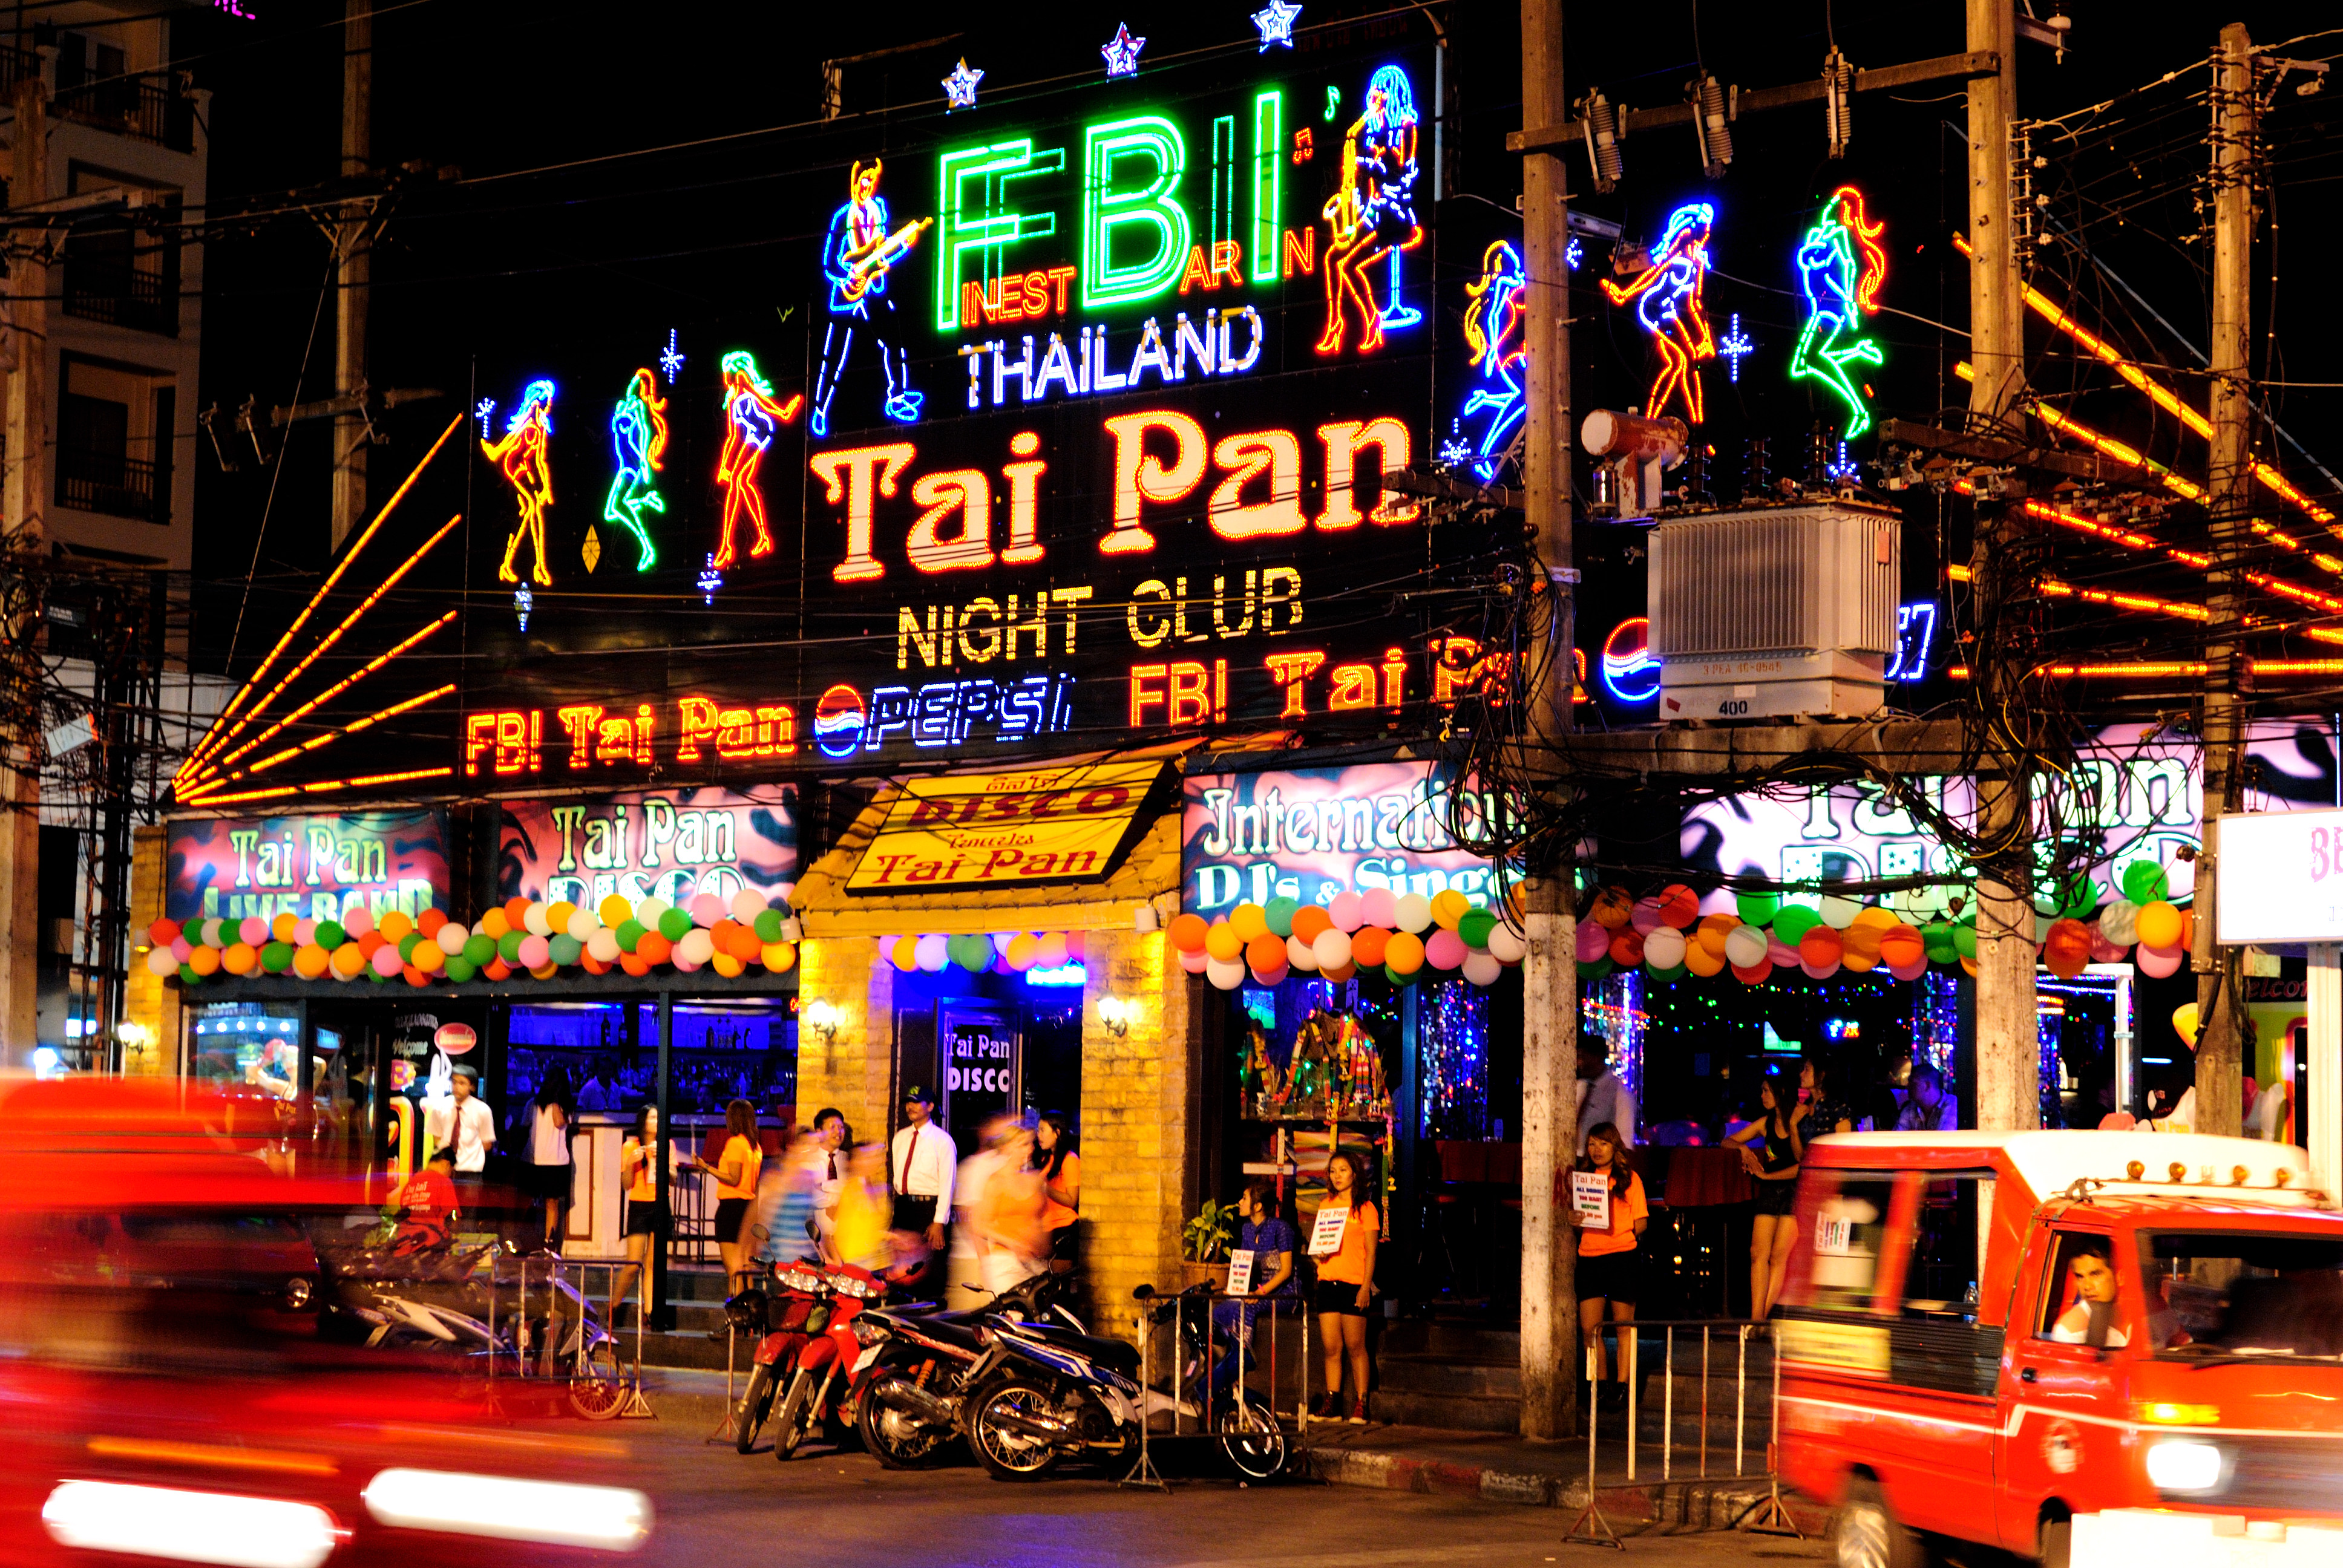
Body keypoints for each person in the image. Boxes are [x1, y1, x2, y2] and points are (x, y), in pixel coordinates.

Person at [1566, 1122, 1649, 1410]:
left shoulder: (1629, 1179)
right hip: (1589, 1257)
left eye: (1603, 1143)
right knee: (1590, 1328)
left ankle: (1623, 1385)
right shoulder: (1584, 1179)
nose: (1596, 1149)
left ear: (1615, 1147)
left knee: (1624, 1326)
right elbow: (1578, 1218)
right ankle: (1598, 1383)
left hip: (1622, 1257)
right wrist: (1576, 1220)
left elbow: (1641, 1224)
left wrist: (1619, 1233)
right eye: (1591, 1144)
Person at [1311, 1149, 1380, 1425]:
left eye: (1342, 1170)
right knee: (1331, 1347)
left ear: (1354, 1173)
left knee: (1355, 1345)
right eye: (1332, 1171)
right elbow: (1318, 1247)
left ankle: (1362, 1403)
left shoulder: (1366, 1208)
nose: (1337, 1176)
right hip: (1328, 1281)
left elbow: (1372, 1252)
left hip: (1353, 1283)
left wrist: (1365, 1288)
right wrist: (1319, 1257)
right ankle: (1333, 1402)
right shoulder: (1326, 1205)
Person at [1728, 1067, 1803, 1319]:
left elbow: (1803, 1164)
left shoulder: (1800, 1120)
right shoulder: (1764, 1123)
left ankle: (1764, 1317)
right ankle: (1756, 1317)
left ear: (1781, 1092)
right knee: (1757, 1253)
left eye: (1766, 1090)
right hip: (1771, 1191)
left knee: (1778, 1256)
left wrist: (1767, 1175)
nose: (1762, 1096)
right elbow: (1727, 1141)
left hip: (1795, 1191)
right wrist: (1743, 1150)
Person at [1213, 1180, 1297, 1395]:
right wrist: (1235, 1289)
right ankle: (1221, 1365)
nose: (1240, 1202)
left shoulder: (1281, 1228)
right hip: (1261, 1289)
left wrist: (1260, 1293)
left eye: (1244, 1198)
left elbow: (1286, 1271)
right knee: (1223, 1308)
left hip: (1284, 1292)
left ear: (1258, 1206)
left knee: (1247, 1308)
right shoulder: (1247, 1228)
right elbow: (1244, 1263)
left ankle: (1240, 1363)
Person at [696, 1098, 764, 1303]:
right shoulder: (755, 1147)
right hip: (748, 1207)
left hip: (731, 1208)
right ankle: (750, 1315)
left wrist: (706, 1167)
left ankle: (736, 1314)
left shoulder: (735, 1143)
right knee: (745, 1267)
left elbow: (734, 1179)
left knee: (734, 1268)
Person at [976, 1119, 1050, 1293]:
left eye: (1030, 1144)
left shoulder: (1035, 1179)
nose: (1030, 1149)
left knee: (1037, 1318)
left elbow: (1043, 1219)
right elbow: (980, 1225)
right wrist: (1012, 1243)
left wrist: (1042, 1246)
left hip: (1035, 1262)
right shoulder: (996, 1181)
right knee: (1014, 1316)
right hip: (1006, 1261)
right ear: (1008, 1147)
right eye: (1023, 1144)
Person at [609, 1104, 666, 1327]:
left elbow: (672, 1178)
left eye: (658, 1118)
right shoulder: (630, 1146)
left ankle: (650, 1312)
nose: (656, 1122)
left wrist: (662, 1160)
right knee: (634, 1264)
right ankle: (614, 1305)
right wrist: (631, 1164)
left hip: (660, 1205)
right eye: (653, 1118)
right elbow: (626, 1185)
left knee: (653, 1263)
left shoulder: (666, 1144)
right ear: (644, 1122)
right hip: (639, 1206)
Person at [951, 1116, 1014, 1302]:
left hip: (1000, 1258)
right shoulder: (972, 1168)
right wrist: (986, 1260)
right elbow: (966, 1218)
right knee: (967, 1318)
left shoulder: (1004, 1167)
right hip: (972, 1258)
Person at [889, 1085, 956, 1257]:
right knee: (901, 1264)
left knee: (929, 1263)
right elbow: (898, 1173)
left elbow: (947, 1183)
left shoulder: (942, 1140)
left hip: (928, 1207)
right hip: (904, 1205)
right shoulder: (900, 1137)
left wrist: (939, 1221)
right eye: (908, 1102)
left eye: (917, 1102)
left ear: (930, 1106)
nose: (911, 1106)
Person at [522, 1067, 577, 1251]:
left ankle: (548, 1243)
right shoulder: (533, 1104)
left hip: (556, 1160)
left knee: (551, 1203)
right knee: (533, 1202)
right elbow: (524, 1127)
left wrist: (554, 1103)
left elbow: (559, 1122)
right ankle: (531, 1240)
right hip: (534, 1160)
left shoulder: (565, 1105)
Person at [425, 1064, 496, 1204]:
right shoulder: (441, 1107)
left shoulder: (482, 1110)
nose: (456, 1086)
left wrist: (469, 1154)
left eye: (462, 1083)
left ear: (472, 1087)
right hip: (444, 1170)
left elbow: (487, 1144)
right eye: (454, 1082)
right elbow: (436, 1138)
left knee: (467, 1215)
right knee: (442, 1213)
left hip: (470, 1172)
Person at [2046, 1238, 2129, 1348]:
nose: (2087, 1286)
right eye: (2080, 1277)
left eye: (2095, 1274)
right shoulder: (2071, 1332)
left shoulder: (2141, 1315)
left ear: (2120, 1277)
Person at [1034, 1111, 1082, 1270]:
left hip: (1064, 1228)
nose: (1038, 1134)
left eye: (1042, 1130)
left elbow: (1072, 1199)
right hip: (1046, 1229)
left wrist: (1046, 1189)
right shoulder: (1046, 1159)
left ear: (1057, 1133)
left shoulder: (1070, 1160)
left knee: (1059, 1287)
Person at [1576, 1038, 1637, 1154]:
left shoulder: (1619, 1094)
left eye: (1583, 1057)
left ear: (1597, 1058)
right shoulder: (1578, 1088)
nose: (1579, 1063)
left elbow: (1624, 1141)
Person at [396, 1147, 461, 1250]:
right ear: (447, 1164)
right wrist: (456, 1226)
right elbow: (453, 1215)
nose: (450, 1175)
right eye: (451, 1172)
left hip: (404, 1245)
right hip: (429, 1247)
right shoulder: (443, 1181)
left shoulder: (411, 1183)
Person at [811, 1108, 851, 1263]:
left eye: (841, 1127)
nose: (838, 1132)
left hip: (846, 1237)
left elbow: (852, 1193)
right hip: (819, 1239)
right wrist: (837, 1193)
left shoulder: (849, 1160)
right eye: (832, 1127)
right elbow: (811, 1196)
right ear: (819, 1131)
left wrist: (823, 1186)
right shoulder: (809, 1161)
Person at [1797, 1056, 1857, 1138]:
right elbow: (1800, 1151)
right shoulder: (1804, 1107)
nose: (1801, 1074)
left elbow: (1842, 1145)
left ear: (1821, 1075)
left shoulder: (1838, 1108)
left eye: (1807, 1070)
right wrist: (1793, 1125)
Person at [1896, 1065, 1957, 1132]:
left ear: (1927, 1086)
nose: (1907, 1087)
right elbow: (1896, 1138)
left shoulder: (1952, 1105)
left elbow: (1943, 1139)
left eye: (1912, 1083)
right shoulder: (1911, 1108)